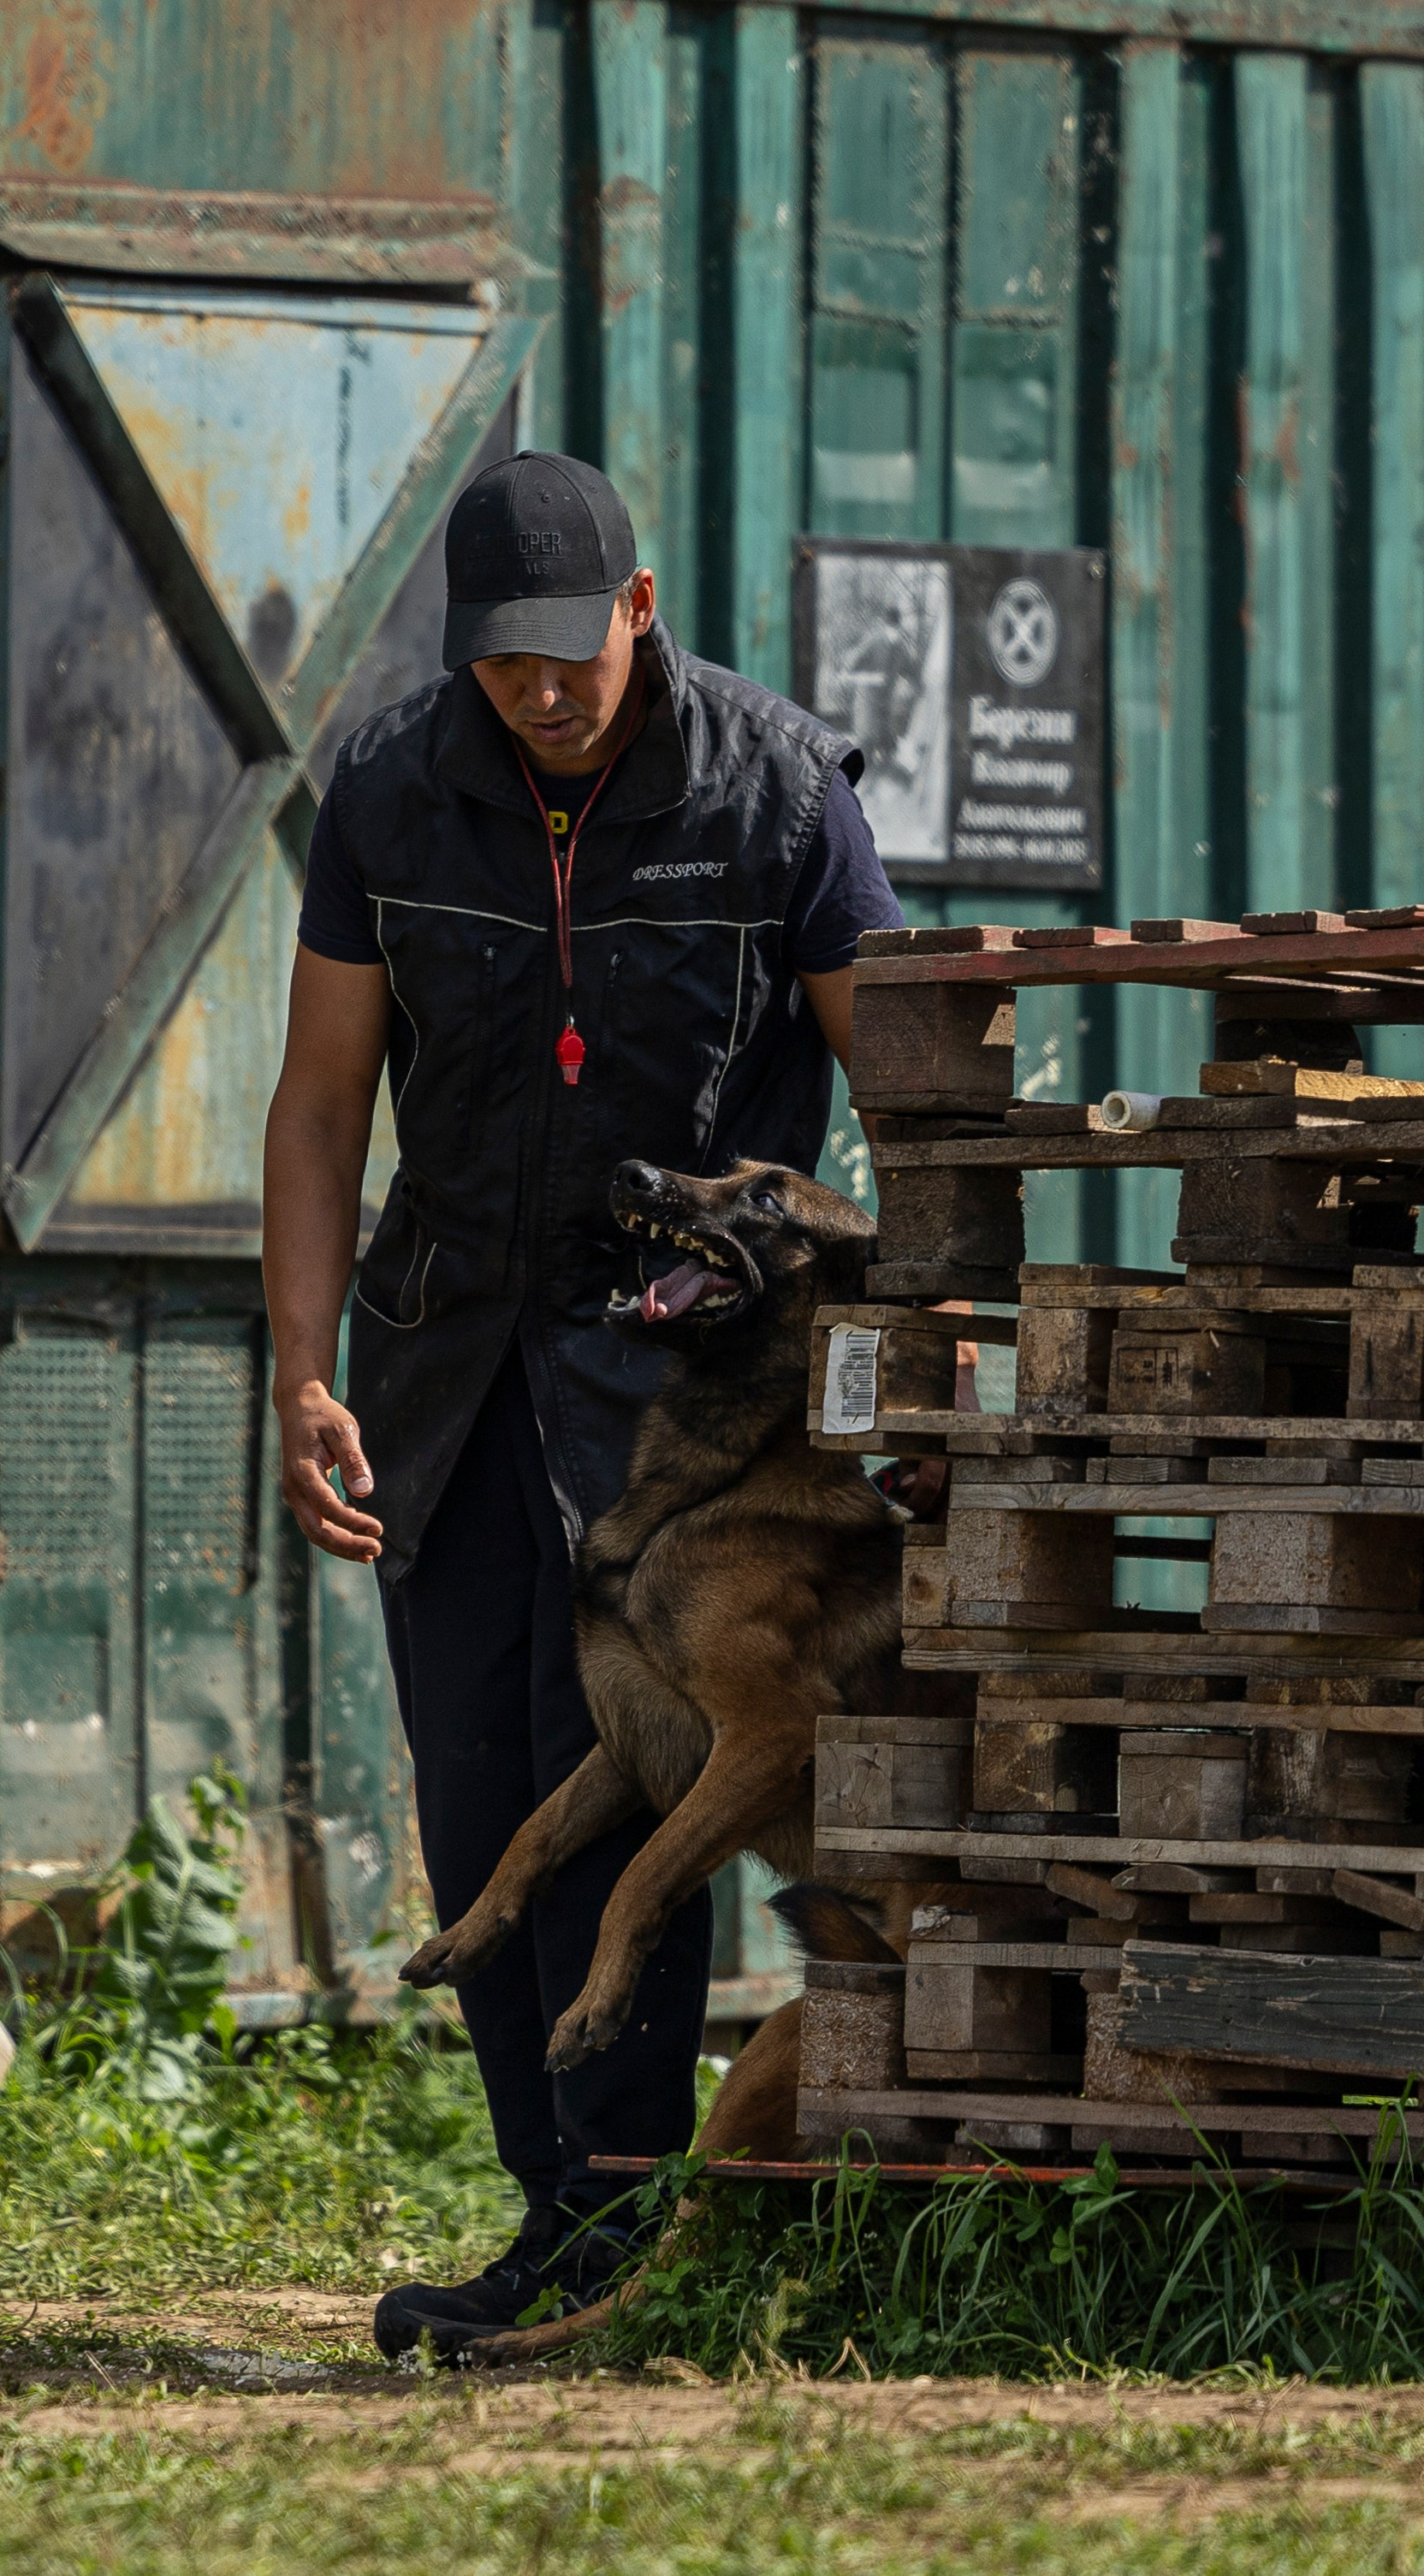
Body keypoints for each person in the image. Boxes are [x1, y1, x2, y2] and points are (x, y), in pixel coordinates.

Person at [261, 451, 902, 2357]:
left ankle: (622, 2227)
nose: (541, 691)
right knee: (480, 1798)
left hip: (689, 1407)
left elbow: (907, 1097)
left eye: (572, 650)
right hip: (447, 1372)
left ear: (640, 608)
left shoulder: (778, 794)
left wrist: (910, 1358)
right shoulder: (387, 791)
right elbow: (319, 1104)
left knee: (623, 1773)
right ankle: (559, 2210)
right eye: (502, 659)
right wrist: (303, 1369)